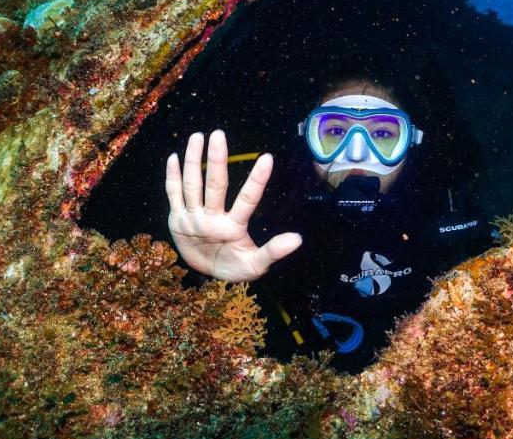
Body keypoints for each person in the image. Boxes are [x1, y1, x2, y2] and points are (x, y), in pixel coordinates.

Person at [164, 79, 493, 372]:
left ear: (410, 143)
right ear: (306, 137)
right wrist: (210, 276)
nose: (358, 153)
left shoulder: (445, 208)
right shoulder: (267, 220)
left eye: (381, 133)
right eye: (335, 132)